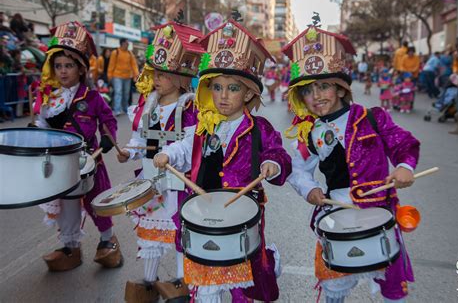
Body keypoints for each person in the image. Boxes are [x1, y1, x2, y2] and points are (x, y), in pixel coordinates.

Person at [153, 19, 292, 303]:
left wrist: (273, 165)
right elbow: (184, 145)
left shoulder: (260, 128)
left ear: (249, 92)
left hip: (242, 214)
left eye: (232, 88)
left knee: (242, 285)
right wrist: (167, 154)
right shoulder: (203, 123)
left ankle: (266, 263)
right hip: (202, 209)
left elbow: (279, 154)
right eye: (217, 87)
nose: (223, 96)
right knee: (206, 285)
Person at [282, 20, 420, 303]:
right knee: (334, 286)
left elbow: (404, 144)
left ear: (341, 88)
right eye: (307, 90)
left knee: (390, 288)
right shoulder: (310, 133)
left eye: (323, 86)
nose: (316, 96)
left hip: (379, 213)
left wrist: (405, 166)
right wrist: (309, 189)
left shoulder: (372, 117)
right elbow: (297, 169)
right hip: (336, 214)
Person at [116, 21, 202, 303]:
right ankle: (149, 281)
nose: (157, 79)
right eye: (155, 73)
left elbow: (190, 143)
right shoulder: (148, 105)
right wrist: (130, 152)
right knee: (151, 229)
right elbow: (141, 139)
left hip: (179, 182)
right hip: (151, 178)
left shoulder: (189, 107)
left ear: (179, 78)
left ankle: (180, 280)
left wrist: (171, 154)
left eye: (164, 74)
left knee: (178, 229)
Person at [33, 21, 122, 272]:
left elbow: (109, 120)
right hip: (62, 161)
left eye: (69, 65)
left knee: (98, 203)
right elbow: (41, 123)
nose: (63, 71)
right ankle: (70, 247)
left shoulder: (92, 97)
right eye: (58, 66)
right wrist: (34, 133)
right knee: (67, 205)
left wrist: (108, 137)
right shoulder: (48, 97)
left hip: (91, 159)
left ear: (80, 69)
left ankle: (108, 242)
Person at [107, 38, 139, 116]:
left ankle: (125, 108)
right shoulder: (115, 52)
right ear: (122, 43)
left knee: (126, 93)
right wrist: (109, 76)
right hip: (117, 76)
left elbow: (134, 65)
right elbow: (111, 65)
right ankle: (117, 109)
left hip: (127, 77)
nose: (128, 44)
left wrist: (136, 75)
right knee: (118, 92)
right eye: (127, 43)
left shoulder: (130, 53)